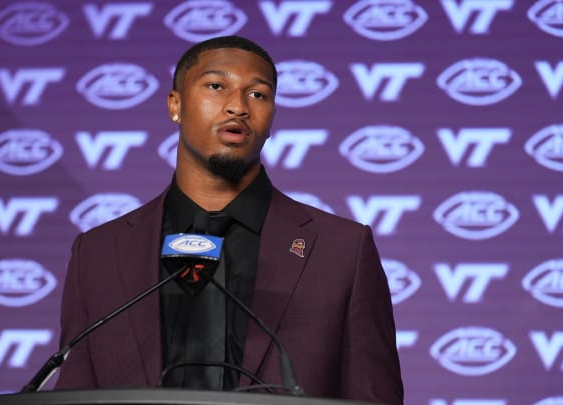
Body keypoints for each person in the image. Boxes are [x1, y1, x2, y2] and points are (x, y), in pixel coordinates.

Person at [54, 35, 404, 405]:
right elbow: (75, 391)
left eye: (258, 94)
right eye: (216, 86)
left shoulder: (342, 250)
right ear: (176, 105)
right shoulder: (98, 253)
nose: (238, 106)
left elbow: (373, 397)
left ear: (272, 118)